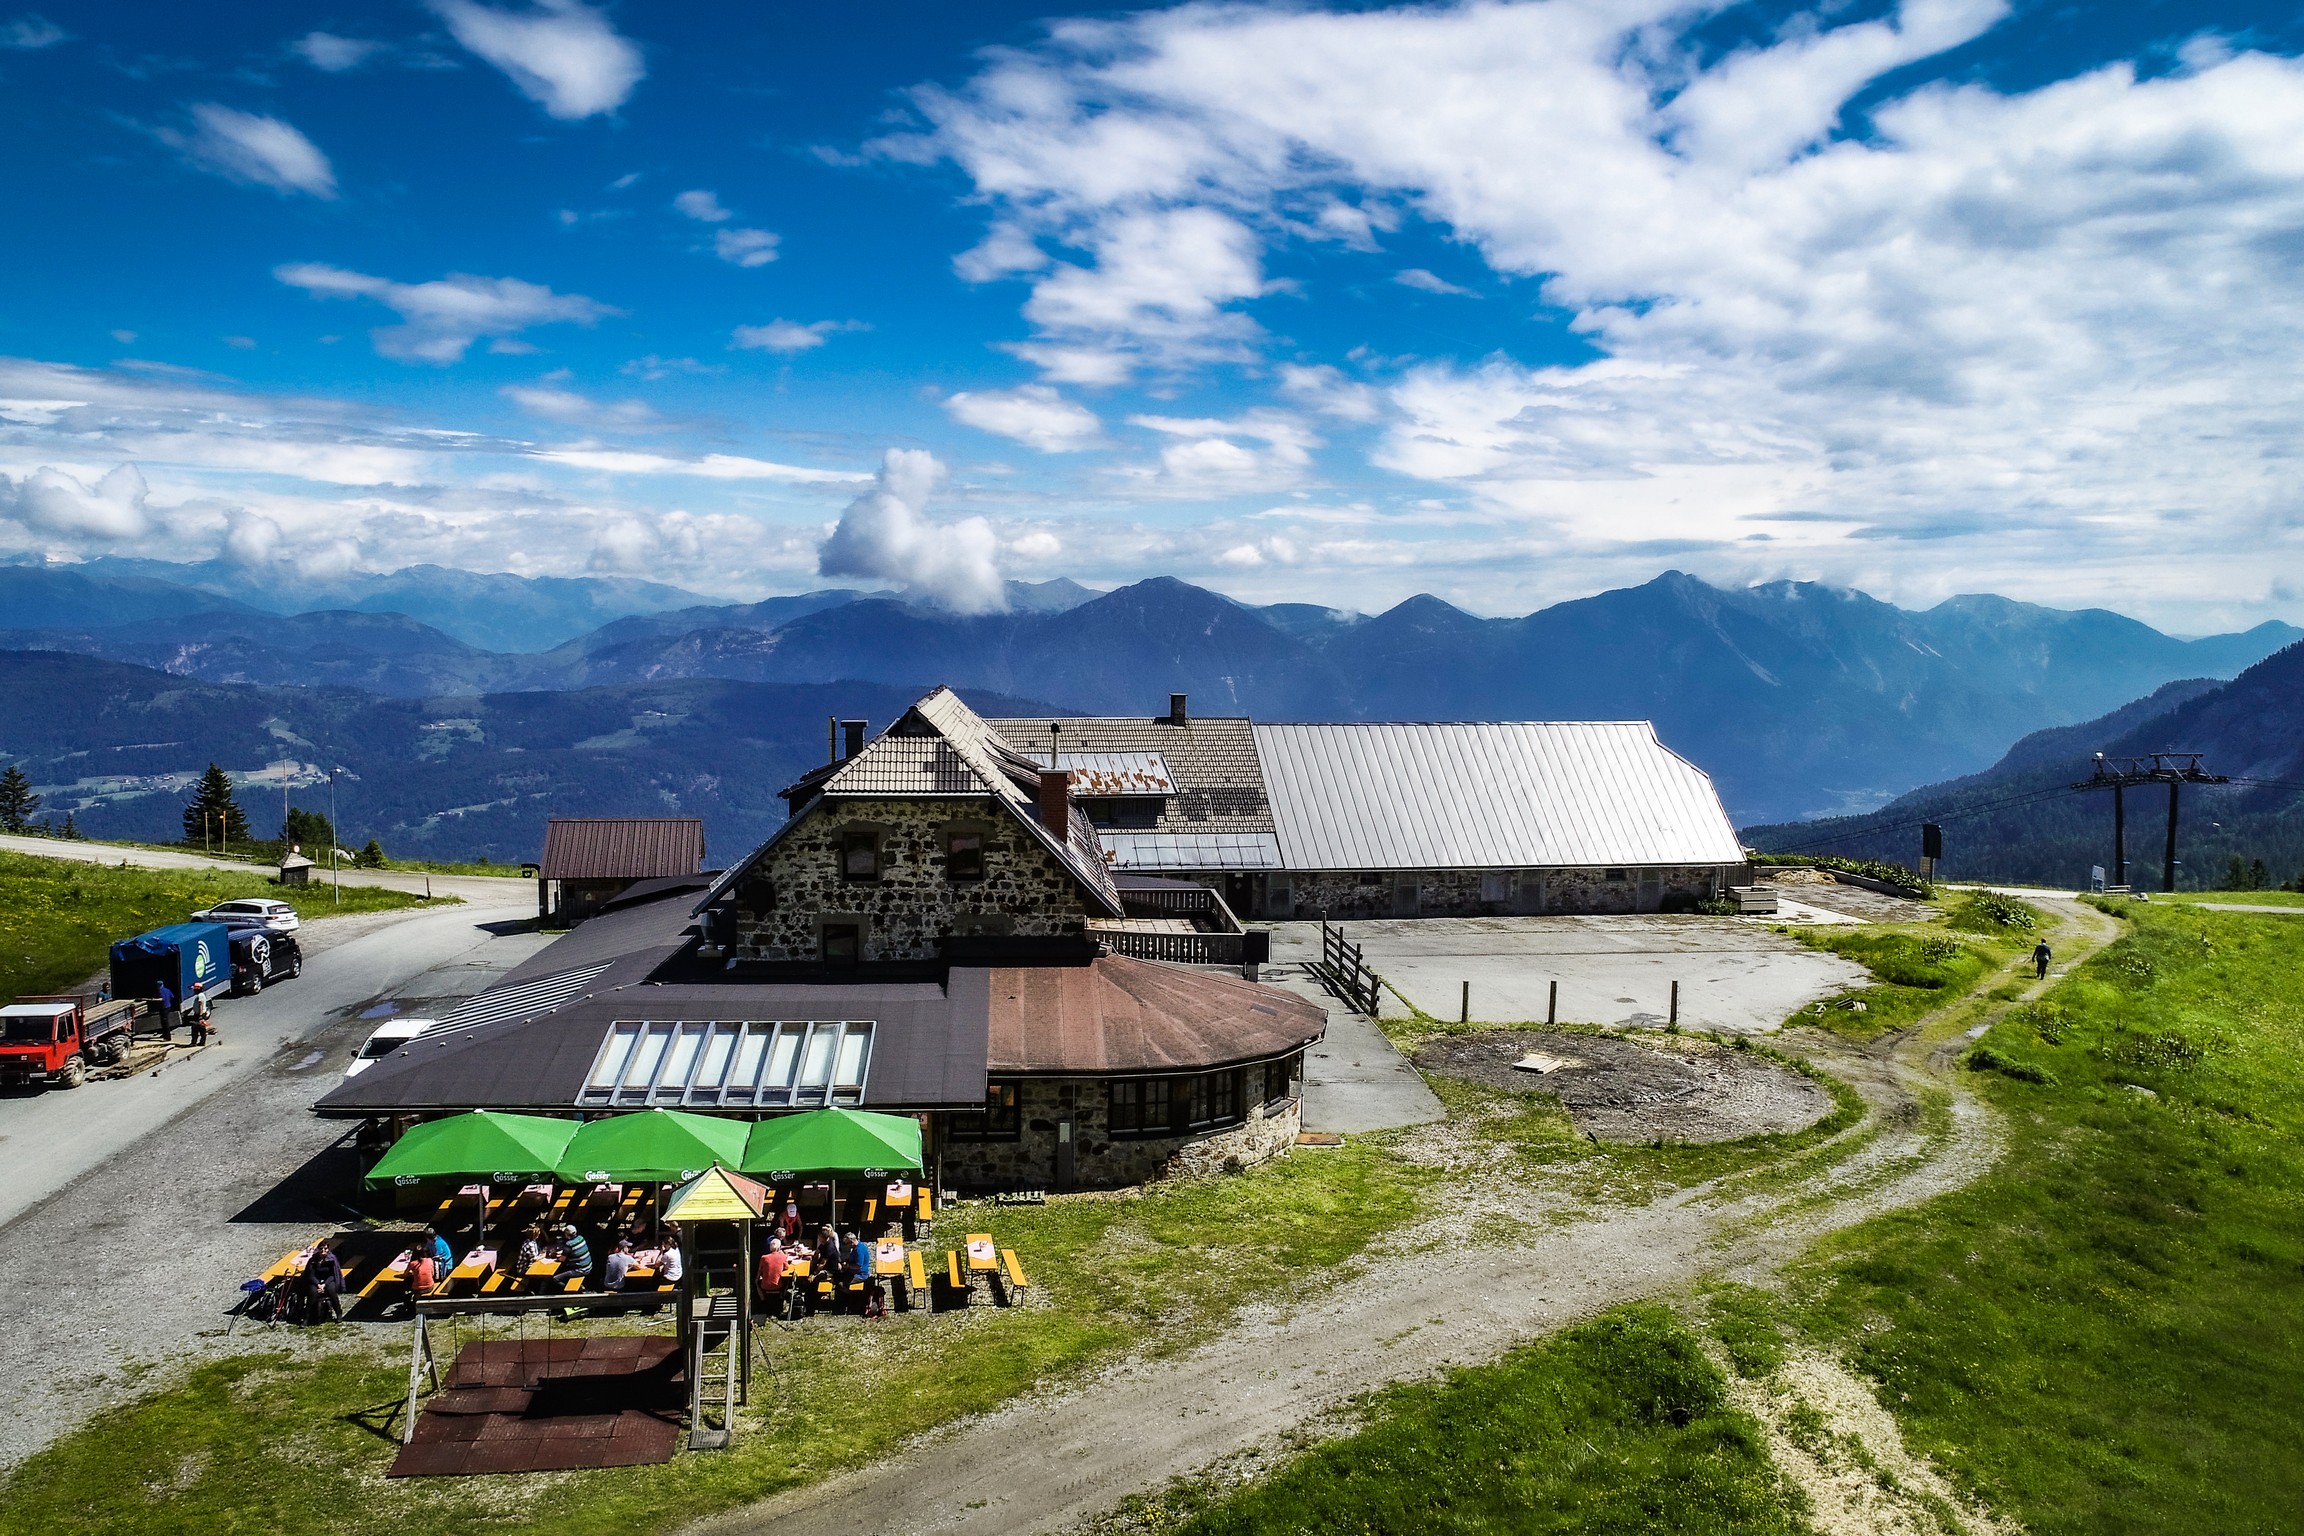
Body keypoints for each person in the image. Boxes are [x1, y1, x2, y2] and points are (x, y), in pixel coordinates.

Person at [304, 1239, 343, 1324]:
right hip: (315, 1281)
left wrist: (324, 1285)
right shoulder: (313, 1260)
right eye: (321, 1248)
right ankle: (306, 1317)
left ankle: (338, 1313)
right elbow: (310, 1275)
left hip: (328, 1280)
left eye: (325, 1248)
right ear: (318, 1249)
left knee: (332, 1291)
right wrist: (318, 1284)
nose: (323, 1251)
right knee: (312, 1293)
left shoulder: (331, 1259)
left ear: (328, 1249)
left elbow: (333, 1275)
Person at [757, 1236, 788, 1309]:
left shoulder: (764, 1257)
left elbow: (760, 1271)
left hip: (765, 1285)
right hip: (778, 1285)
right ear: (779, 1248)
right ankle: (782, 1297)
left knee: (757, 1282)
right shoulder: (783, 1256)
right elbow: (787, 1267)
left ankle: (763, 1299)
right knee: (787, 1281)